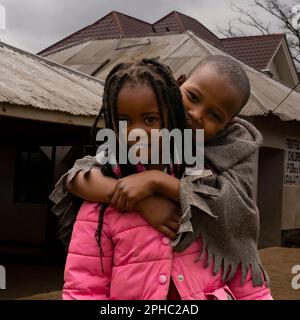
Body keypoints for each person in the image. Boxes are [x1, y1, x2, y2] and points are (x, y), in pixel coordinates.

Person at [50, 56, 273, 300]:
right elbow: (77, 177)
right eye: (193, 97)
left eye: (215, 116)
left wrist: (155, 181)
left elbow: (235, 222)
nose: (196, 115)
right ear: (178, 85)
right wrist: (139, 200)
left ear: (227, 126)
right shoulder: (115, 163)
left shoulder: (230, 153)